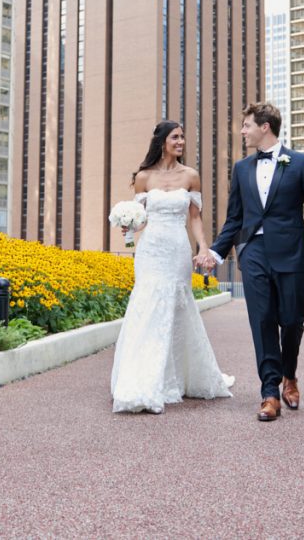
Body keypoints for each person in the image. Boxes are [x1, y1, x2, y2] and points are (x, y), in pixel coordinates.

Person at [203, 103, 304, 422]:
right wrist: (216, 253)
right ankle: (270, 392)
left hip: (292, 252)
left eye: (246, 125)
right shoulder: (241, 169)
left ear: (265, 126)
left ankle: (290, 375)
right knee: (263, 321)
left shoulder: (300, 163)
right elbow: (234, 218)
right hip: (254, 253)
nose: (242, 131)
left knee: (293, 321)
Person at [110, 120, 234, 414]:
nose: (181, 142)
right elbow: (139, 221)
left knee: (177, 306)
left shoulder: (190, 176)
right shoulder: (143, 178)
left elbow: (194, 217)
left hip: (177, 249)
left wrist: (203, 247)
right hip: (150, 250)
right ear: (163, 141)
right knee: (148, 305)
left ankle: (177, 375)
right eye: (176, 137)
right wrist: (126, 227)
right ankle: (141, 378)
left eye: (182, 138)